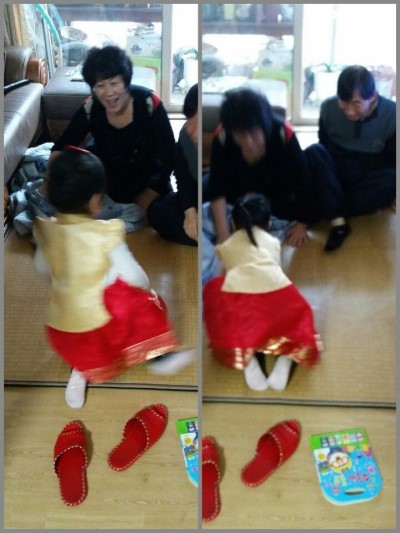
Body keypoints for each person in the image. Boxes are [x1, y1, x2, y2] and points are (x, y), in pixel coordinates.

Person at [33, 147, 193, 409]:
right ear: (96, 201)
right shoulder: (105, 234)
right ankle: (158, 356)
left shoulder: (47, 232)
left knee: (80, 334)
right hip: (100, 324)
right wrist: (146, 291)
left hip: (62, 328)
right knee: (141, 304)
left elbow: (42, 268)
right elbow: (135, 277)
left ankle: (80, 370)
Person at [46, 45, 177, 235]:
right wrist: (51, 182)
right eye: (100, 86)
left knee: (162, 217)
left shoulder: (149, 104)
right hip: (108, 182)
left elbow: (169, 155)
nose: (108, 92)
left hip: (149, 181)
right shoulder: (91, 108)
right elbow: (61, 146)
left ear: (126, 81)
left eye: (114, 83)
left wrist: (151, 192)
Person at [203, 193, 322, 392]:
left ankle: (248, 362)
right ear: (269, 224)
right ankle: (286, 357)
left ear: (233, 224)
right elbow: (276, 273)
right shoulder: (273, 242)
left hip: (245, 310)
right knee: (297, 317)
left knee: (213, 292)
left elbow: (219, 280)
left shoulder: (227, 246)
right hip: (277, 302)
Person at [202, 87, 318, 284]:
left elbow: (304, 182)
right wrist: (224, 236)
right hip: (236, 200)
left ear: (264, 126)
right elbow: (218, 188)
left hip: (275, 201)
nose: (248, 142)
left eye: (254, 134)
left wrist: (302, 224)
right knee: (205, 194)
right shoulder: (222, 136)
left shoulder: (282, 133)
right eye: (240, 135)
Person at [305, 65, 396, 251]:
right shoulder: (328, 108)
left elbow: (392, 159)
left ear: (373, 96)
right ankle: (337, 216)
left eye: (356, 104)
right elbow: (324, 145)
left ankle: (331, 210)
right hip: (336, 171)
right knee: (313, 152)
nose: (349, 111)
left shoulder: (393, 114)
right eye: (343, 102)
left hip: (368, 174)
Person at [146, 83, 198, 246]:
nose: (191, 130)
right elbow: (183, 176)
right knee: (157, 211)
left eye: (198, 123)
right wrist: (190, 212)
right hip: (196, 199)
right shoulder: (186, 134)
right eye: (189, 121)